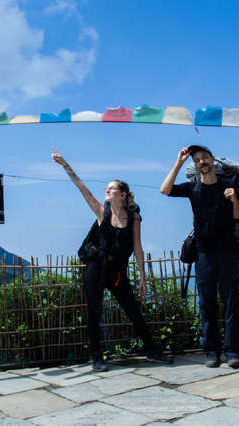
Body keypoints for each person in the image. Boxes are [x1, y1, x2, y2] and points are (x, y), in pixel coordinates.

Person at [52, 147, 173, 371]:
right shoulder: (101, 212)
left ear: (123, 194)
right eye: (106, 188)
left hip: (117, 273)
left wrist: (143, 278)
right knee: (94, 311)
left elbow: (137, 247)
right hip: (96, 269)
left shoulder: (134, 217)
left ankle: (152, 351)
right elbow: (83, 189)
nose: (107, 191)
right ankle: (96, 357)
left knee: (132, 309)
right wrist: (65, 165)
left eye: (112, 188)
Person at [160, 145, 239, 368]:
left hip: (227, 250)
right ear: (195, 166)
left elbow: (237, 217)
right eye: (197, 160)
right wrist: (178, 162)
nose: (202, 162)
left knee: (230, 302)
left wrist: (234, 199)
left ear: (212, 160)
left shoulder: (229, 185)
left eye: (205, 158)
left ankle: (233, 352)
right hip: (203, 253)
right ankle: (211, 352)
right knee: (206, 303)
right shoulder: (192, 188)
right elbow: (165, 190)